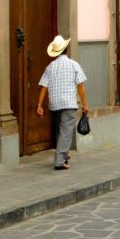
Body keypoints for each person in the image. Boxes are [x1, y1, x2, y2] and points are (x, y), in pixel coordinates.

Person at [36, 35, 89, 170]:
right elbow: (81, 87)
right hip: (69, 103)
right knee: (66, 132)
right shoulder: (74, 65)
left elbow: (44, 86)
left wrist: (39, 105)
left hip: (54, 104)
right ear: (66, 49)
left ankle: (64, 156)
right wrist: (85, 105)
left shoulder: (50, 67)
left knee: (60, 131)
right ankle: (59, 161)